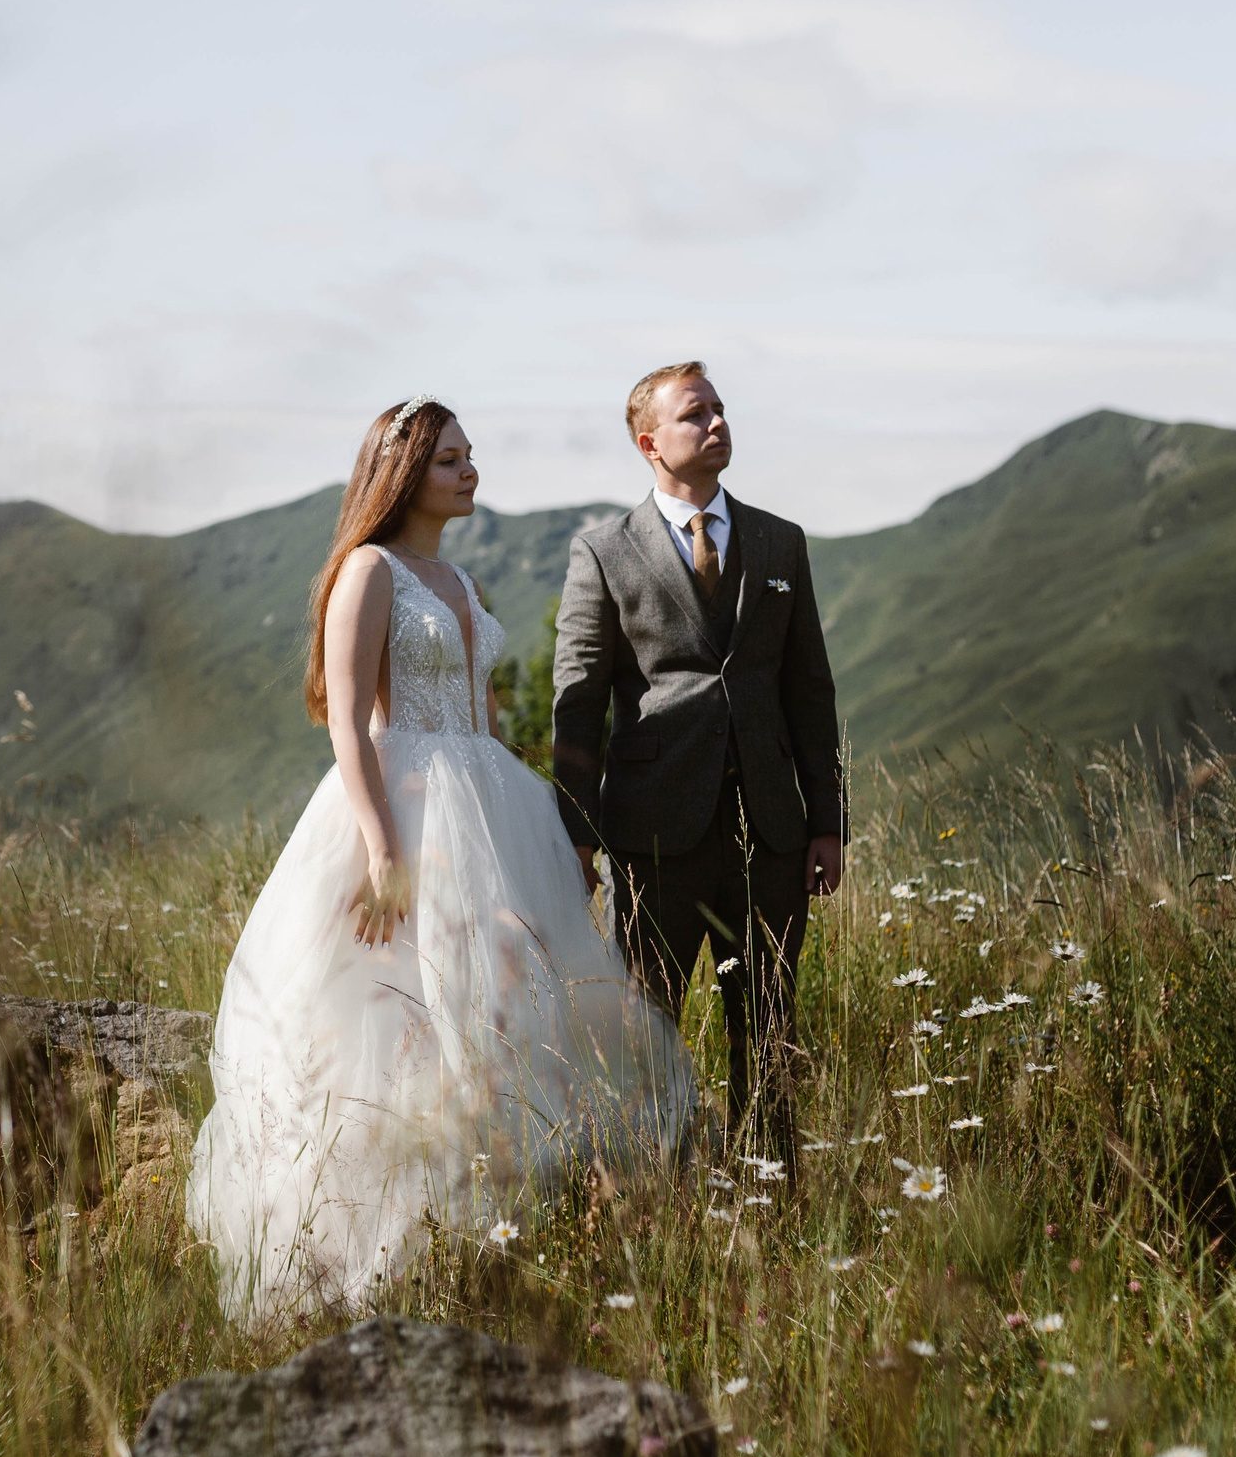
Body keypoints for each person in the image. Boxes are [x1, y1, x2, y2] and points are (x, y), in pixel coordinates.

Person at [187, 397, 697, 1324]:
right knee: (397, 1020)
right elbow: (345, 718)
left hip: (486, 796)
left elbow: (483, 714)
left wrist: (529, 818)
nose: (471, 470)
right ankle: (371, 1241)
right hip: (404, 806)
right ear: (405, 473)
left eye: (470, 455)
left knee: (503, 998)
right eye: (451, 459)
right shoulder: (368, 572)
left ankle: (500, 1214)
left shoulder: (458, 576)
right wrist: (383, 845)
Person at [550, 361, 846, 1168]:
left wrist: (828, 821)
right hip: (653, 836)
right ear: (651, 442)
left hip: (771, 833)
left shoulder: (781, 540)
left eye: (720, 409)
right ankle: (650, 1197)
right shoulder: (603, 551)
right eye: (695, 414)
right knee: (645, 1029)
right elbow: (576, 700)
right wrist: (575, 836)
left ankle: (773, 1194)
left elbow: (809, 689)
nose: (716, 422)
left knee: (772, 1025)